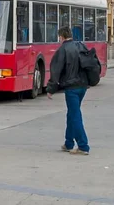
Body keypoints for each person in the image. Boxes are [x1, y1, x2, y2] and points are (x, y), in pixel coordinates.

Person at [46, 26, 90, 155]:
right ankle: (68, 143)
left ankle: (83, 146)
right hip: (83, 86)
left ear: (61, 36)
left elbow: (56, 70)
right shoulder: (81, 46)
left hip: (72, 88)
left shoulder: (63, 49)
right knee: (72, 113)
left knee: (75, 115)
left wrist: (51, 89)